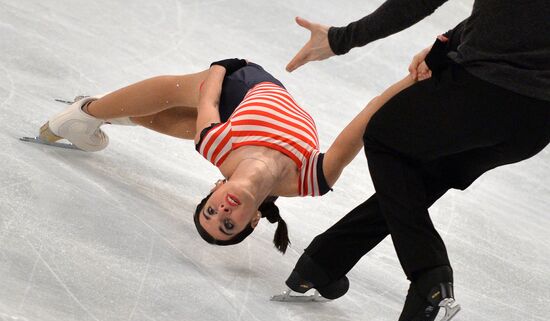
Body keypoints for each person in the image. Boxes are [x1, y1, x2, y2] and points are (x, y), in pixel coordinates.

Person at [281, 0, 550, 321]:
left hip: (485, 91)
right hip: (535, 123)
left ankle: (429, 276)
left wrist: (340, 38)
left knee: (384, 136)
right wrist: (448, 44)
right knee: (421, 175)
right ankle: (323, 262)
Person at [37, 58, 416, 254]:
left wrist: (221, 67)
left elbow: (209, 99)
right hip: (258, 94)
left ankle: (85, 112)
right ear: (253, 222)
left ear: (215, 189)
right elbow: (364, 123)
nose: (224, 211)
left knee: (177, 96)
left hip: (238, 91)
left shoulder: (216, 148)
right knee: (167, 104)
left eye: (211, 211)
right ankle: (102, 113)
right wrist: (411, 80)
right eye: (229, 223)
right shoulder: (311, 180)